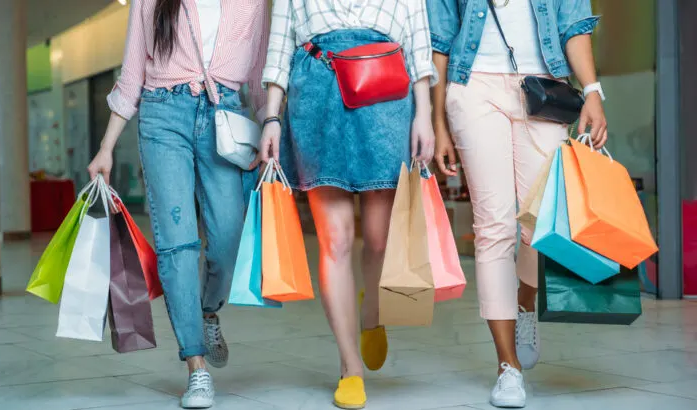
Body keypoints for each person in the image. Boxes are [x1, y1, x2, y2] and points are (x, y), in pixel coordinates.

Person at [86, 0, 270, 407]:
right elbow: (133, 72)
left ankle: (206, 312)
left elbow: (256, 74)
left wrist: (270, 125)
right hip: (163, 116)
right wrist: (106, 148)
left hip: (226, 115)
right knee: (178, 244)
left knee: (229, 237)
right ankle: (196, 367)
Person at [427, 0, 607, 407]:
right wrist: (438, 124)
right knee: (494, 227)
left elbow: (574, 23)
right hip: (472, 87)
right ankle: (508, 367)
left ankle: (524, 302)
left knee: (540, 222)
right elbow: (439, 41)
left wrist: (593, 91)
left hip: (545, 87)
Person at [259, 0, 437, 408]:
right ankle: (349, 366)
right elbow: (279, 47)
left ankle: (371, 314)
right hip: (318, 99)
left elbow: (419, 48)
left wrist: (423, 115)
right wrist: (271, 116)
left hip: (386, 97)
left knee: (378, 239)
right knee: (336, 241)